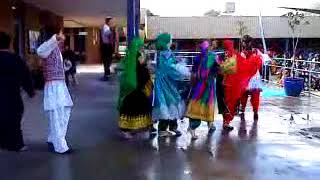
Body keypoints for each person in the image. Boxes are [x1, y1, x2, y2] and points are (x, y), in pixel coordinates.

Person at [37, 26, 73, 154]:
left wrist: (66, 66)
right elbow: (40, 51)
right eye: (61, 33)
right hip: (53, 86)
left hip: (60, 84)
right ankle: (60, 146)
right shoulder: (47, 46)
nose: (63, 36)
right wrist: (55, 38)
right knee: (57, 114)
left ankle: (53, 139)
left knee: (64, 111)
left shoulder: (56, 47)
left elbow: (55, 63)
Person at [0, 32, 35, 151]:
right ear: (9, 44)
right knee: (14, 119)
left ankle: (3, 142)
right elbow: (25, 76)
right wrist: (30, 91)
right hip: (11, 94)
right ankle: (16, 144)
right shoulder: (15, 59)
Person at [153, 33, 191, 137]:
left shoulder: (162, 53)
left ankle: (172, 127)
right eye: (170, 40)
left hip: (165, 82)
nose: (171, 42)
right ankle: (163, 129)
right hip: (167, 83)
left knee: (171, 103)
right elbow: (170, 68)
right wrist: (182, 71)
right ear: (166, 42)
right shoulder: (166, 54)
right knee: (169, 103)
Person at [117, 38, 153, 139]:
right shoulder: (137, 55)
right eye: (141, 46)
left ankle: (129, 129)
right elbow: (141, 69)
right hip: (137, 88)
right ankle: (127, 130)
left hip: (134, 88)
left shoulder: (131, 56)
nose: (142, 48)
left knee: (132, 108)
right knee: (134, 108)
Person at [221, 39, 260, 131]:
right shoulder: (236, 56)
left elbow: (224, 70)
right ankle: (226, 122)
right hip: (233, 84)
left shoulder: (229, 55)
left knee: (229, 102)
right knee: (231, 103)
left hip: (228, 83)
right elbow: (243, 66)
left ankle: (226, 121)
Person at [186, 41, 219, 140]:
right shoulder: (212, 57)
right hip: (207, 85)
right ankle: (194, 127)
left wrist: (192, 83)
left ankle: (208, 124)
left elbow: (193, 73)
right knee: (205, 104)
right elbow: (219, 68)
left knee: (199, 105)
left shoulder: (197, 58)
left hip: (199, 84)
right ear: (208, 48)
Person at [239, 35, 264, 121]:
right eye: (244, 42)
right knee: (248, 94)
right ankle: (250, 111)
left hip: (251, 77)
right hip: (250, 77)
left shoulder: (254, 52)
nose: (244, 44)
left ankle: (251, 111)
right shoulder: (254, 52)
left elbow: (263, 60)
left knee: (251, 94)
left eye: (245, 42)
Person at [101, 17, 115, 81]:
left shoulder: (107, 27)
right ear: (108, 21)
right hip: (106, 46)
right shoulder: (105, 27)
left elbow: (110, 36)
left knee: (108, 60)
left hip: (107, 46)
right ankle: (106, 75)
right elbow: (108, 34)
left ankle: (107, 74)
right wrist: (112, 30)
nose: (112, 23)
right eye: (111, 21)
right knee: (107, 60)